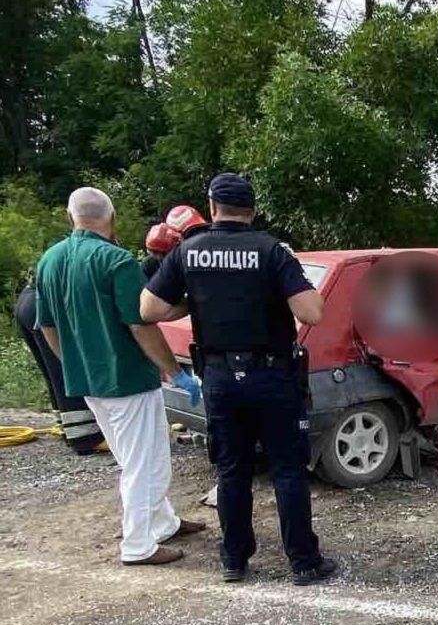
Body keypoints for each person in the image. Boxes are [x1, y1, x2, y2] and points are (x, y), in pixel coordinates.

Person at [141, 173, 336, 586]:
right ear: (252, 210)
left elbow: (150, 309)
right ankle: (304, 562)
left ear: (212, 207)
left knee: (232, 471)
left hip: (220, 378)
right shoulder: (271, 251)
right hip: (272, 376)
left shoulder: (187, 252)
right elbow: (312, 312)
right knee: (287, 470)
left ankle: (234, 560)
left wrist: (196, 301)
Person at [35, 187, 206, 566]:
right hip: (127, 378)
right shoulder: (116, 261)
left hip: (88, 381)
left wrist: (73, 360)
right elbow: (141, 322)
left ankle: (163, 521)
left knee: (140, 454)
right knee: (142, 461)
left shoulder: (49, 260)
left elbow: (45, 324)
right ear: (110, 219)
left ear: (70, 217)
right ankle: (138, 544)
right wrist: (175, 372)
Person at [13, 283, 106, 454]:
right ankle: (85, 438)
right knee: (68, 370)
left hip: (28, 299)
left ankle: (67, 427)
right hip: (45, 304)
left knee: (53, 372)